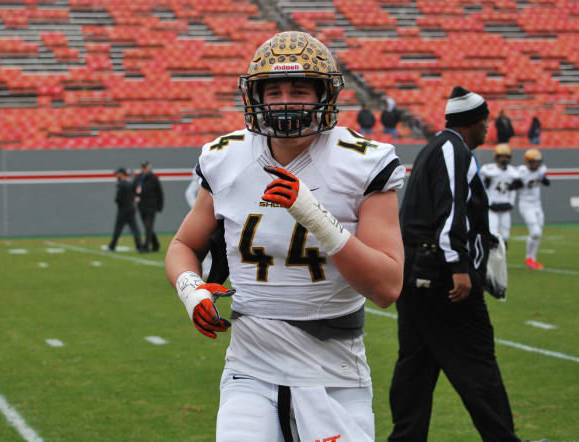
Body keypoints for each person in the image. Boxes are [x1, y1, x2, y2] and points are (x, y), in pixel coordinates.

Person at [165, 31, 406, 442]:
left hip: (334, 372)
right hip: (250, 368)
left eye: (299, 88)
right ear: (254, 96)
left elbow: (387, 287)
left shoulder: (362, 162)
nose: (285, 100)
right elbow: (183, 246)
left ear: (324, 94)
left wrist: (316, 217)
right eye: (273, 89)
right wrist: (192, 290)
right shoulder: (226, 158)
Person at [388, 86, 525, 442]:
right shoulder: (453, 150)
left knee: (415, 367)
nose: (487, 128)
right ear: (474, 122)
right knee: (477, 362)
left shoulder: (437, 147)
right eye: (486, 121)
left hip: (416, 272)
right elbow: (450, 211)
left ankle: (405, 438)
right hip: (441, 275)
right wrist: (460, 267)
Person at [480, 143, 521, 248]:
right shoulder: (489, 170)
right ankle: (491, 261)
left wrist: (511, 203)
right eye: (501, 156)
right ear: (496, 157)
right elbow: (483, 189)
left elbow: (513, 190)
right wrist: (488, 203)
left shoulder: (513, 172)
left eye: (506, 157)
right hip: (492, 207)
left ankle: (501, 260)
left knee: (505, 236)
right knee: (492, 235)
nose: (504, 159)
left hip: (505, 207)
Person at [517, 148, 550, 270]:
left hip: (537, 205)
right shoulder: (521, 172)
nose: (537, 164)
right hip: (526, 204)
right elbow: (514, 184)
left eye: (538, 161)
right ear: (527, 162)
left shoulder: (540, 170)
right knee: (535, 232)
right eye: (534, 161)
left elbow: (547, 183)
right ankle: (529, 257)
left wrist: (542, 177)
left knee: (537, 234)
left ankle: (532, 258)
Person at [108, 167, 142, 252]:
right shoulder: (129, 184)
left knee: (118, 229)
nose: (116, 175)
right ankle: (139, 246)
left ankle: (112, 246)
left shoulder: (120, 185)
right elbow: (135, 194)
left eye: (117, 173)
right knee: (135, 229)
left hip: (123, 210)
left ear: (122, 174)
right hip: (131, 209)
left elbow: (118, 199)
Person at [134, 160, 163, 252]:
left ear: (149, 168)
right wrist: (135, 197)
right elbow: (134, 190)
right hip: (141, 207)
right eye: (143, 167)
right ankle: (156, 245)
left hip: (151, 207)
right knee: (148, 227)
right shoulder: (139, 179)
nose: (144, 169)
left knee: (148, 226)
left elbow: (160, 193)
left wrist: (159, 206)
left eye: (145, 167)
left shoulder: (154, 179)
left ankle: (145, 246)